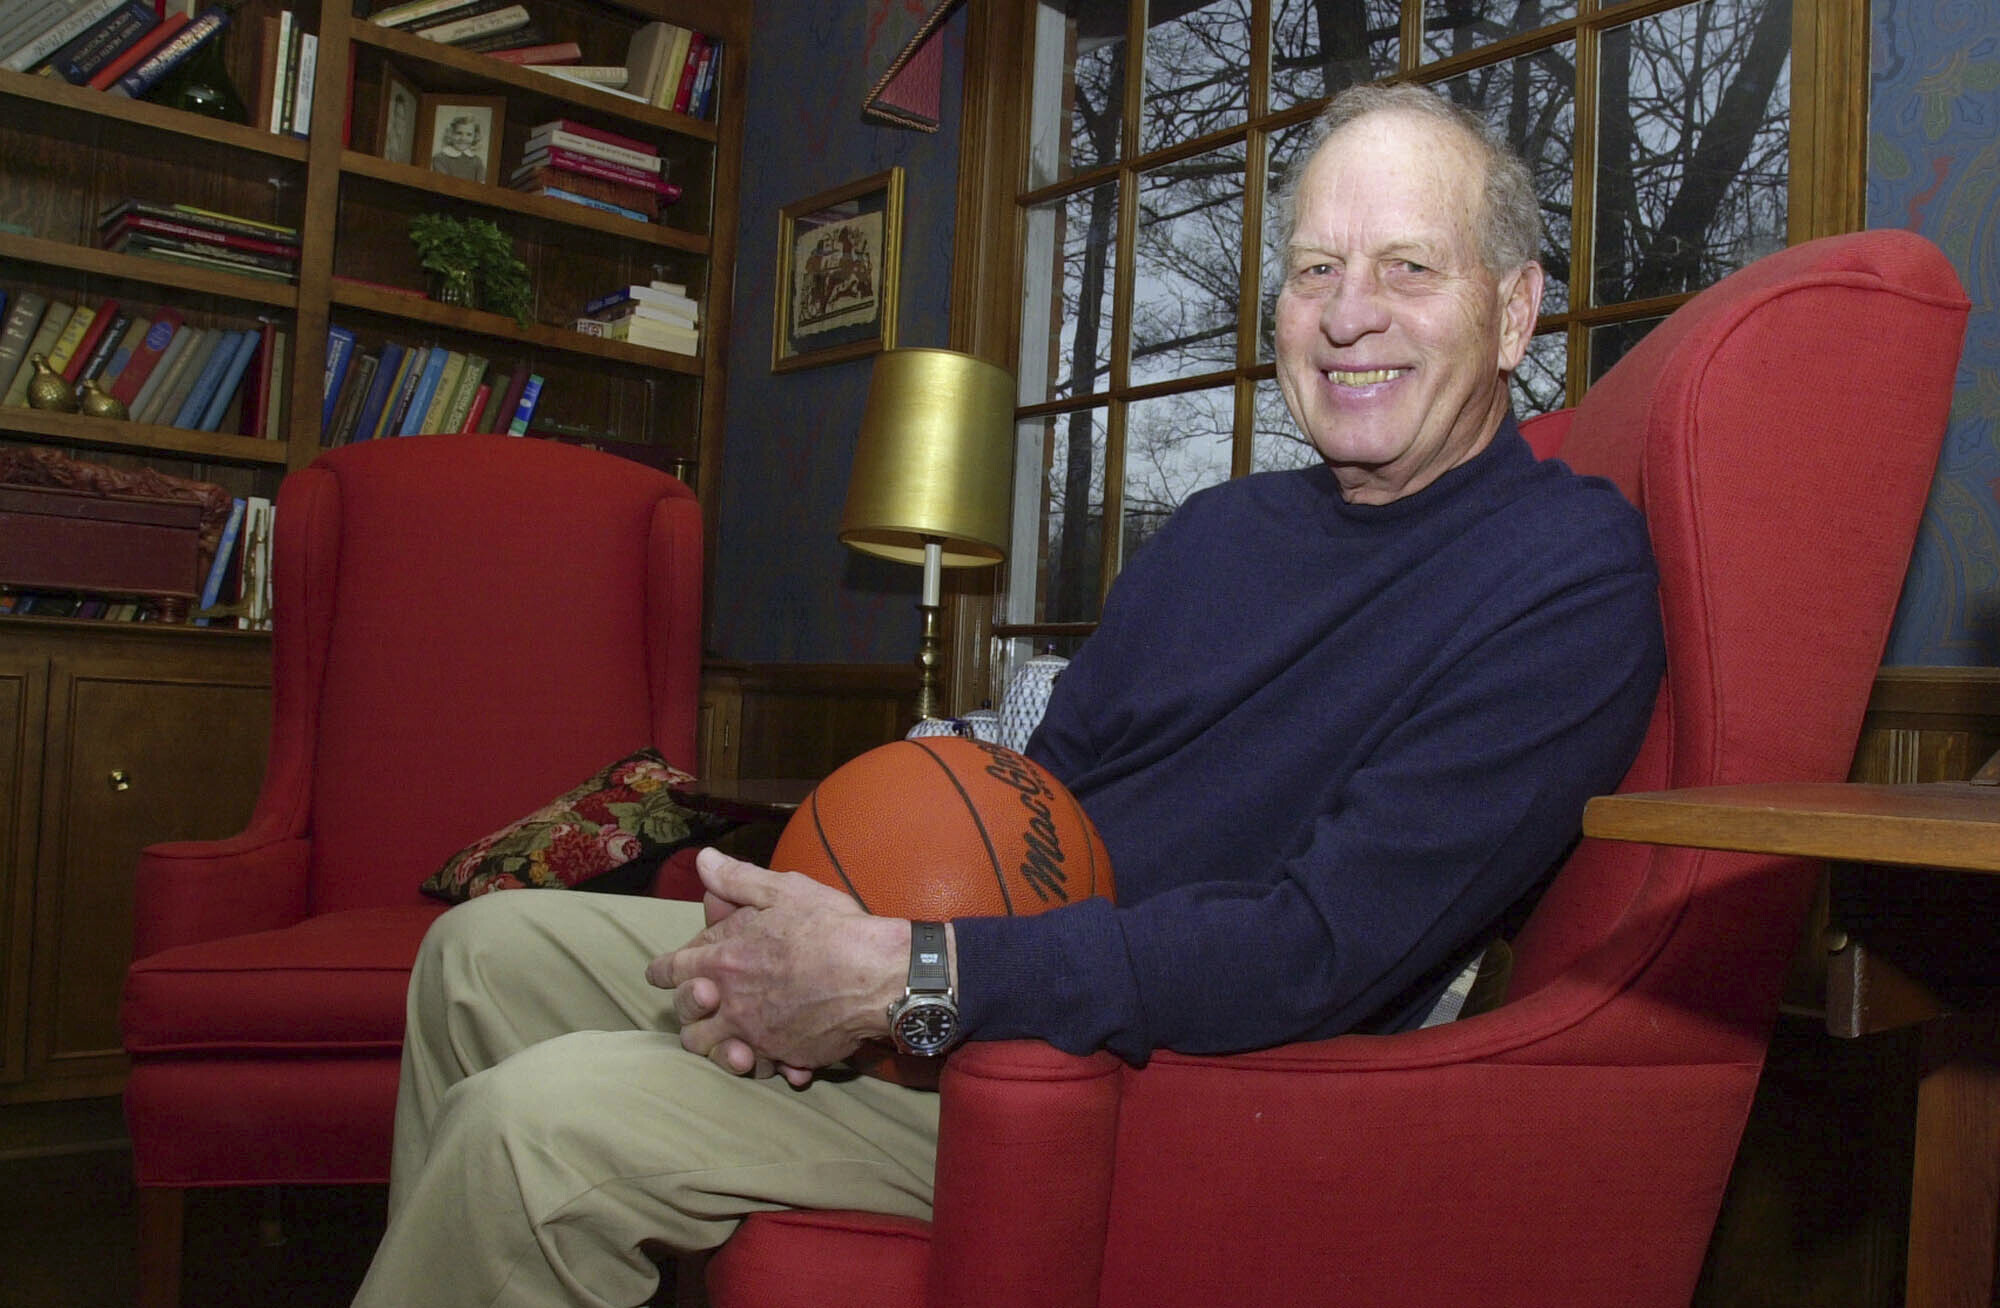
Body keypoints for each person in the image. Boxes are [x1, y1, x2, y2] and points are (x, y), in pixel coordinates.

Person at [351, 82, 1665, 1307]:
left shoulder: (1567, 579)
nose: (1347, 311)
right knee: (481, 956)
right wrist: (841, 915)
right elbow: (1033, 796)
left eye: (1408, 268)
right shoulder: (1217, 532)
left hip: (1131, 1080)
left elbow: (1314, 951)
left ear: (1512, 310)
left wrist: (907, 978)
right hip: (990, 982)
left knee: (531, 1135)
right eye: (1316, 268)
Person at [430, 115, 486, 181]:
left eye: (469, 134)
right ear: (451, 134)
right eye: (459, 133)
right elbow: (442, 184)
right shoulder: (440, 158)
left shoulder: (477, 161)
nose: (463, 138)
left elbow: (481, 185)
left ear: (475, 137)